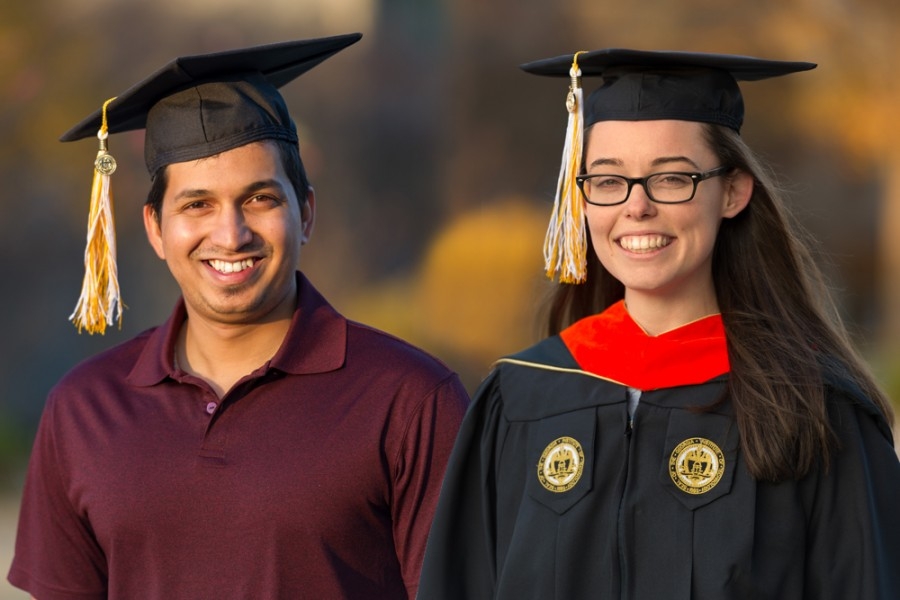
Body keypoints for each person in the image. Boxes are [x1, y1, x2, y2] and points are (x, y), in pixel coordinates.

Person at [417, 48, 900, 599]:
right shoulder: (523, 399)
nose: (636, 207)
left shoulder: (815, 408)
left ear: (734, 192)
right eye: (607, 180)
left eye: (672, 178)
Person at [8, 34, 469, 600]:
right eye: (197, 204)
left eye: (260, 199)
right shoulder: (83, 409)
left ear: (305, 212)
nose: (230, 234)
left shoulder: (411, 401)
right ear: (155, 228)